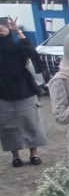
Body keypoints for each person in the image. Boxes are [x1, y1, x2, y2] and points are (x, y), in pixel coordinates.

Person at [0, 18, 47, 166]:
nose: (1, 28)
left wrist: (17, 31)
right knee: (8, 125)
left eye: (4, 25)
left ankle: (34, 154)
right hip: (3, 91)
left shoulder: (18, 47)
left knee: (30, 122)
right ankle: (16, 156)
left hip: (24, 87)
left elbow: (30, 50)